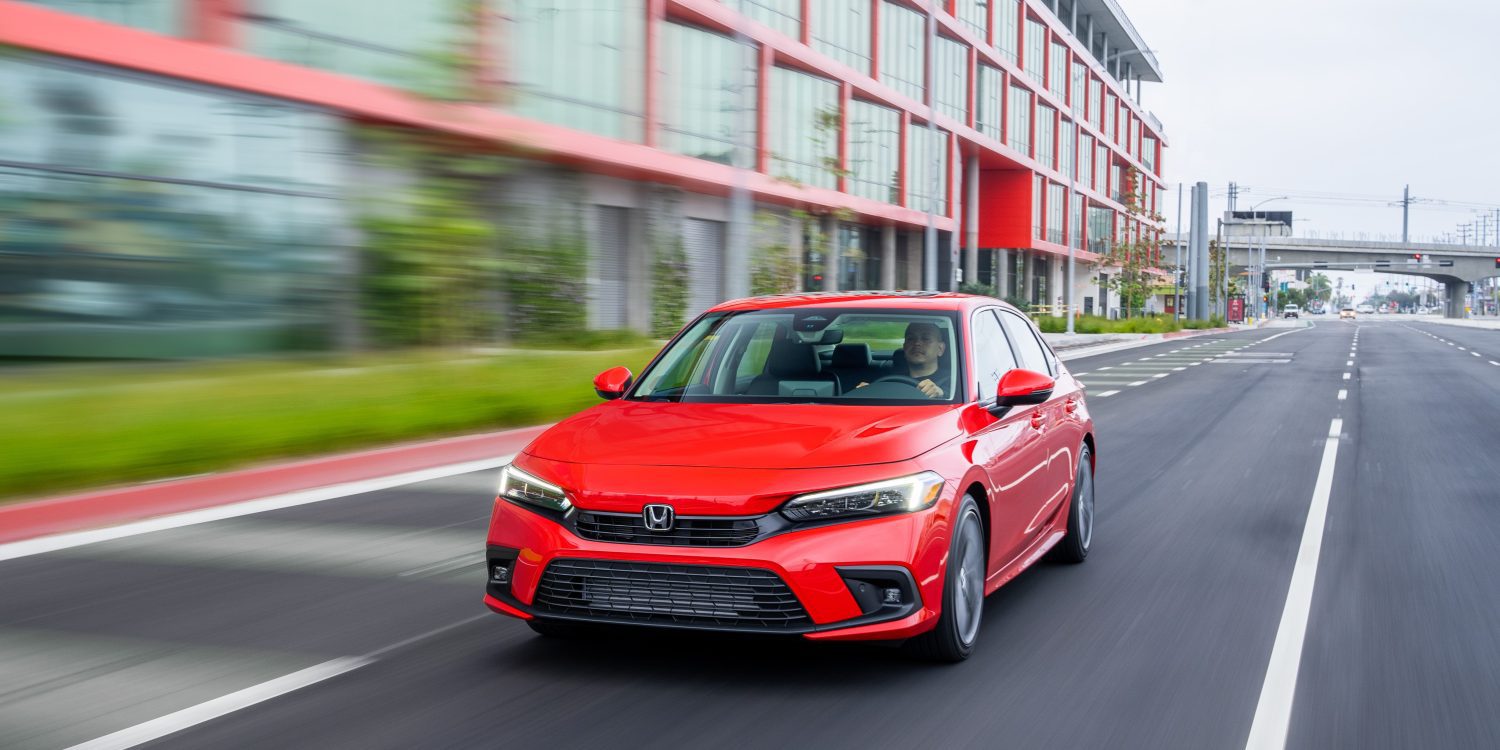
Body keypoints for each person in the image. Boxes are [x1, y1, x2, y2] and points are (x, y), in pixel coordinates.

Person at [855, 321, 949, 398]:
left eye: (926, 338)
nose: (917, 343)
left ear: (940, 349)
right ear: (904, 347)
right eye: (911, 339)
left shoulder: (955, 383)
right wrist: (864, 392)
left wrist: (942, 394)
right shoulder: (886, 380)